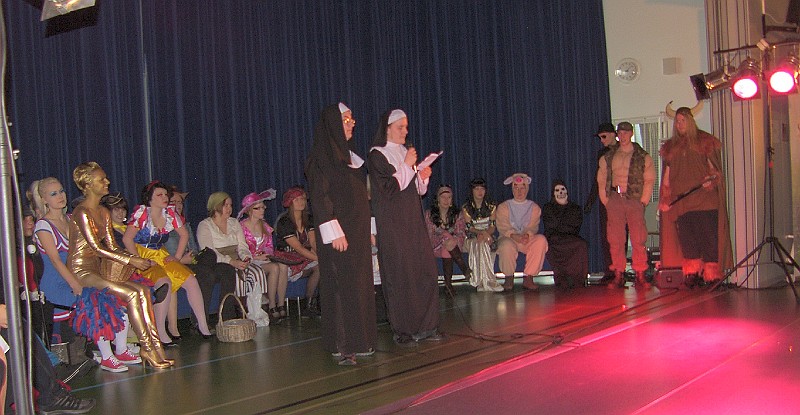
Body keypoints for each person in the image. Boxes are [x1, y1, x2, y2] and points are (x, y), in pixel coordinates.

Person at [66, 161, 173, 369]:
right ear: (88, 185)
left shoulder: (103, 212)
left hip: (99, 267)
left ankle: (155, 347)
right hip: (82, 269)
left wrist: (134, 259)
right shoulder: (82, 212)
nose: (107, 182)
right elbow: (97, 248)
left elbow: (113, 246)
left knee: (143, 291)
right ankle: (146, 348)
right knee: (131, 294)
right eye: (101, 179)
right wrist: (132, 260)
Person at [305, 103, 377, 365]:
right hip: (338, 234)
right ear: (334, 124)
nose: (352, 123)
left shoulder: (352, 158)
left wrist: (368, 229)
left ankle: (360, 340)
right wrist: (333, 231)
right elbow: (320, 198)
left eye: (352, 119)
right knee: (341, 286)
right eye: (346, 120)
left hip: (357, 234)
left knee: (359, 285)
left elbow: (362, 198)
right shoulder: (320, 158)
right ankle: (343, 344)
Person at [367, 109, 442, 346]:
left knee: (424, 271)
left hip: (413, 223)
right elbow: (389, 189)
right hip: (393, 225)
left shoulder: (405, 152)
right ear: (387, 128)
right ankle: (404, 330)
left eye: (406, 127)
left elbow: (416, 190)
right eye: (400, 127)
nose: (405, 131)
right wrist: (409, 166)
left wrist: (423, 176)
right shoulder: (377, 155)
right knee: (401, 276)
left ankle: (427, 325)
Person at [123, 181, 214, 343]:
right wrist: (139, 260)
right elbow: (127, 239)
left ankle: (203, 326)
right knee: (164, 283)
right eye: (160, 195)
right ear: (149, 198)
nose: (164, 197)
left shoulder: (169, 214)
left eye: (165, 194)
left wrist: (177, 257)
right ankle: (160, 331)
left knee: (191, 280)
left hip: (161, 254)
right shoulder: (142, 214)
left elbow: (184, 234)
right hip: (143, 255)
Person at [659, 104, 732, 285]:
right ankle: (692, 273)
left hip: (704, 202)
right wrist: (665, 197)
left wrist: (711, 180)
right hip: (682, 204)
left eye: (683, 120)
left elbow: (715, 171)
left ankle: (712, 275)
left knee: (709, 239)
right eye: (677, 121)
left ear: (690, 121)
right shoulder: (671, 147)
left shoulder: (704, 141)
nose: (680, 124)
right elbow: (667, 176)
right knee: (688, 241)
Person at [165, 188, 238, 324]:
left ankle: (226, 318)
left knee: (226, 269)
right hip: (175, 265)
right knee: (206, 274)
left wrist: (193, 257)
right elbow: (165, 255)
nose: (178, 205)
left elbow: (194, 249)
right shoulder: (163, 227)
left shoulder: (185, 225)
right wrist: (182, 260)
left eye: (180, 202)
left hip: (192, 262)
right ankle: (199, 322)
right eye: (173, 202)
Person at [597, 121, 656, 289]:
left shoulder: (642, 156)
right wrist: (605, 199)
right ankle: (618, 273)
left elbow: (649, 179)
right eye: (620, 133)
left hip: (634, 199)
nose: (622, 136)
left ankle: (640, 273)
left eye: (625, 133)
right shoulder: (609, 156)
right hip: (615, 198)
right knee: (615, 238)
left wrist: (643, 201)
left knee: (638, 238)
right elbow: (601, 178)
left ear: (631, 133)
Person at [196, 192, 270, 317]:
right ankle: (239, 309)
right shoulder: (205, 225)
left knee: (257, 272)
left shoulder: (234, 223)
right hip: (219, 262)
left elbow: (242, 246)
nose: (229, 208)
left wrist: (246, 257)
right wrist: (231, 262)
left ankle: (260, 307)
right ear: (216, 206)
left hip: (237, 259)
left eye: (230, 205)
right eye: (225, 205)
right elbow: (209, 252)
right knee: (236, 275)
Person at [30, 177, 82, 345]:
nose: (60, 196)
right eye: (54, 194)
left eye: (61, 191)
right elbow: (55, 260)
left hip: (74, 279)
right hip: (56, 285)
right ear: (44, 200)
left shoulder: (71, 219)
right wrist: (75, 284)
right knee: (63, 338)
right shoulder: (43, 225)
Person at [238, 190, 290, 320]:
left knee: (283, 266)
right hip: (248, 261)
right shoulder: (241, 227)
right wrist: (256, 257)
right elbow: (240, 249)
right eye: (258, 208)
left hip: (262, 260)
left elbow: (269, 246)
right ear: (249, 210)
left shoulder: (264, 226)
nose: (262, 210)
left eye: (263, 207)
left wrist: (266, 254)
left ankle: (280, 304)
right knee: (274, 268)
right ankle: (271, 304)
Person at [495, 173, 549, 291]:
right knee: (506, 245)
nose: (519, 191)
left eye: (522, 188)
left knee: (541, 240)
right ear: (512, 189)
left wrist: (527, 235)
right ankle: (509, 277)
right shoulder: (503, 207)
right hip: (509, 238)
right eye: (516, 188)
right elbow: (502, 226)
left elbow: (533, 226)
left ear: (527, 189)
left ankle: (529, 277)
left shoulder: (534, 207)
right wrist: (514, 235)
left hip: (525, 239)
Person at [274, 187, 321, 318]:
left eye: (303, 199)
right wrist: (318, 258)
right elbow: (298, 248)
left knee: (319, 268)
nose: (301, 202)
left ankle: (309, 304)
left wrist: (319, 255)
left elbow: (313, 241)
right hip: (288, 257)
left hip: (304, 256)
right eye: (297, 199)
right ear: (290, 202)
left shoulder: (309, 218)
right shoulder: (284, 221)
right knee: (319, 263)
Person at [425, 184, 472, 297]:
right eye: (443, 197)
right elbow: (429, 234)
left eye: (449, 197)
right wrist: (445, 236)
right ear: (438, 199)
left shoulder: (457, 214)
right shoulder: (429, 214)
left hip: (454, 245)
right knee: (446, 241)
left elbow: (461, 232)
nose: (446, 200)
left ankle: (448, 285)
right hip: (435, 245)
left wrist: (452, 239)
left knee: (447, 248)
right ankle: (464, 268)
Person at [584, 123, 618, 278]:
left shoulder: (627, 150)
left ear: (613, 134)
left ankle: (620, 270)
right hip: (606, 198)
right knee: (606, 235)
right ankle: (610, 270)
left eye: (604, 136)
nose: (602, 140)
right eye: (600, 138)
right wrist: (591, 200)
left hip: (624, 197)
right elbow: (598, 179)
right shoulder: (602, 153)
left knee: (621, 234)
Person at [542, 179, 589, 289]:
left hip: (571, 238)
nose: (561, 192)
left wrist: (561, 225)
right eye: (557, 190)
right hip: (554, 240)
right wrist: (563, 224)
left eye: (563, 189)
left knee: (581, 245)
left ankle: (578, 280)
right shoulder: (548, 208)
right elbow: (551, 225)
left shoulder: (575, 208)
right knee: (550, 246)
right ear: (553, 193)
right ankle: (562, 278)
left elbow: (575, 226)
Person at [462, 178, 502, 292]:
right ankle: (485, 281)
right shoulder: (466, 207)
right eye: (477, 189)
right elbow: (469, 227)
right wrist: (480, 233)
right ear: (472, 191)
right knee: (479, 243)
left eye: (482, 189)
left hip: (487, 234)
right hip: (471, 236)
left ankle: (486, 281)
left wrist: (485, 234)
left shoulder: (491, 206)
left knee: (483, 243)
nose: (480, 192)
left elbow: (492, 226)